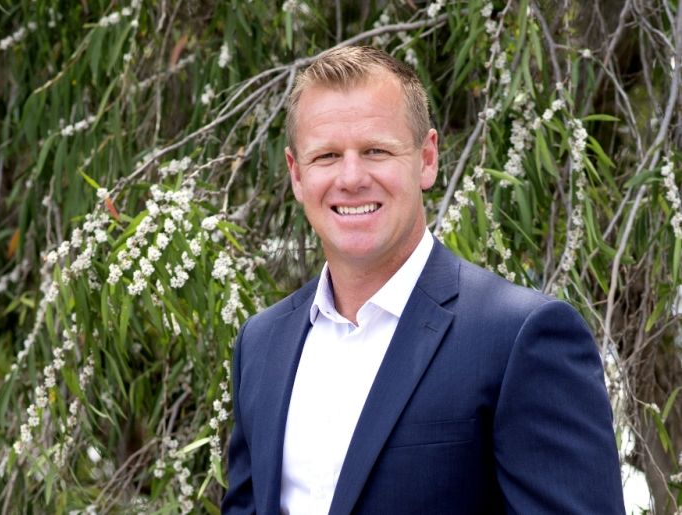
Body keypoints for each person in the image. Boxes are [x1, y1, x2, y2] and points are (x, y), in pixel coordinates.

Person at [222, 46, 624, 514]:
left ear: (427, 158)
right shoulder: (262, 343)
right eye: (327, 156)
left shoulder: (519, 337)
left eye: (376, 150)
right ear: (296, 174)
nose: (351, 178)